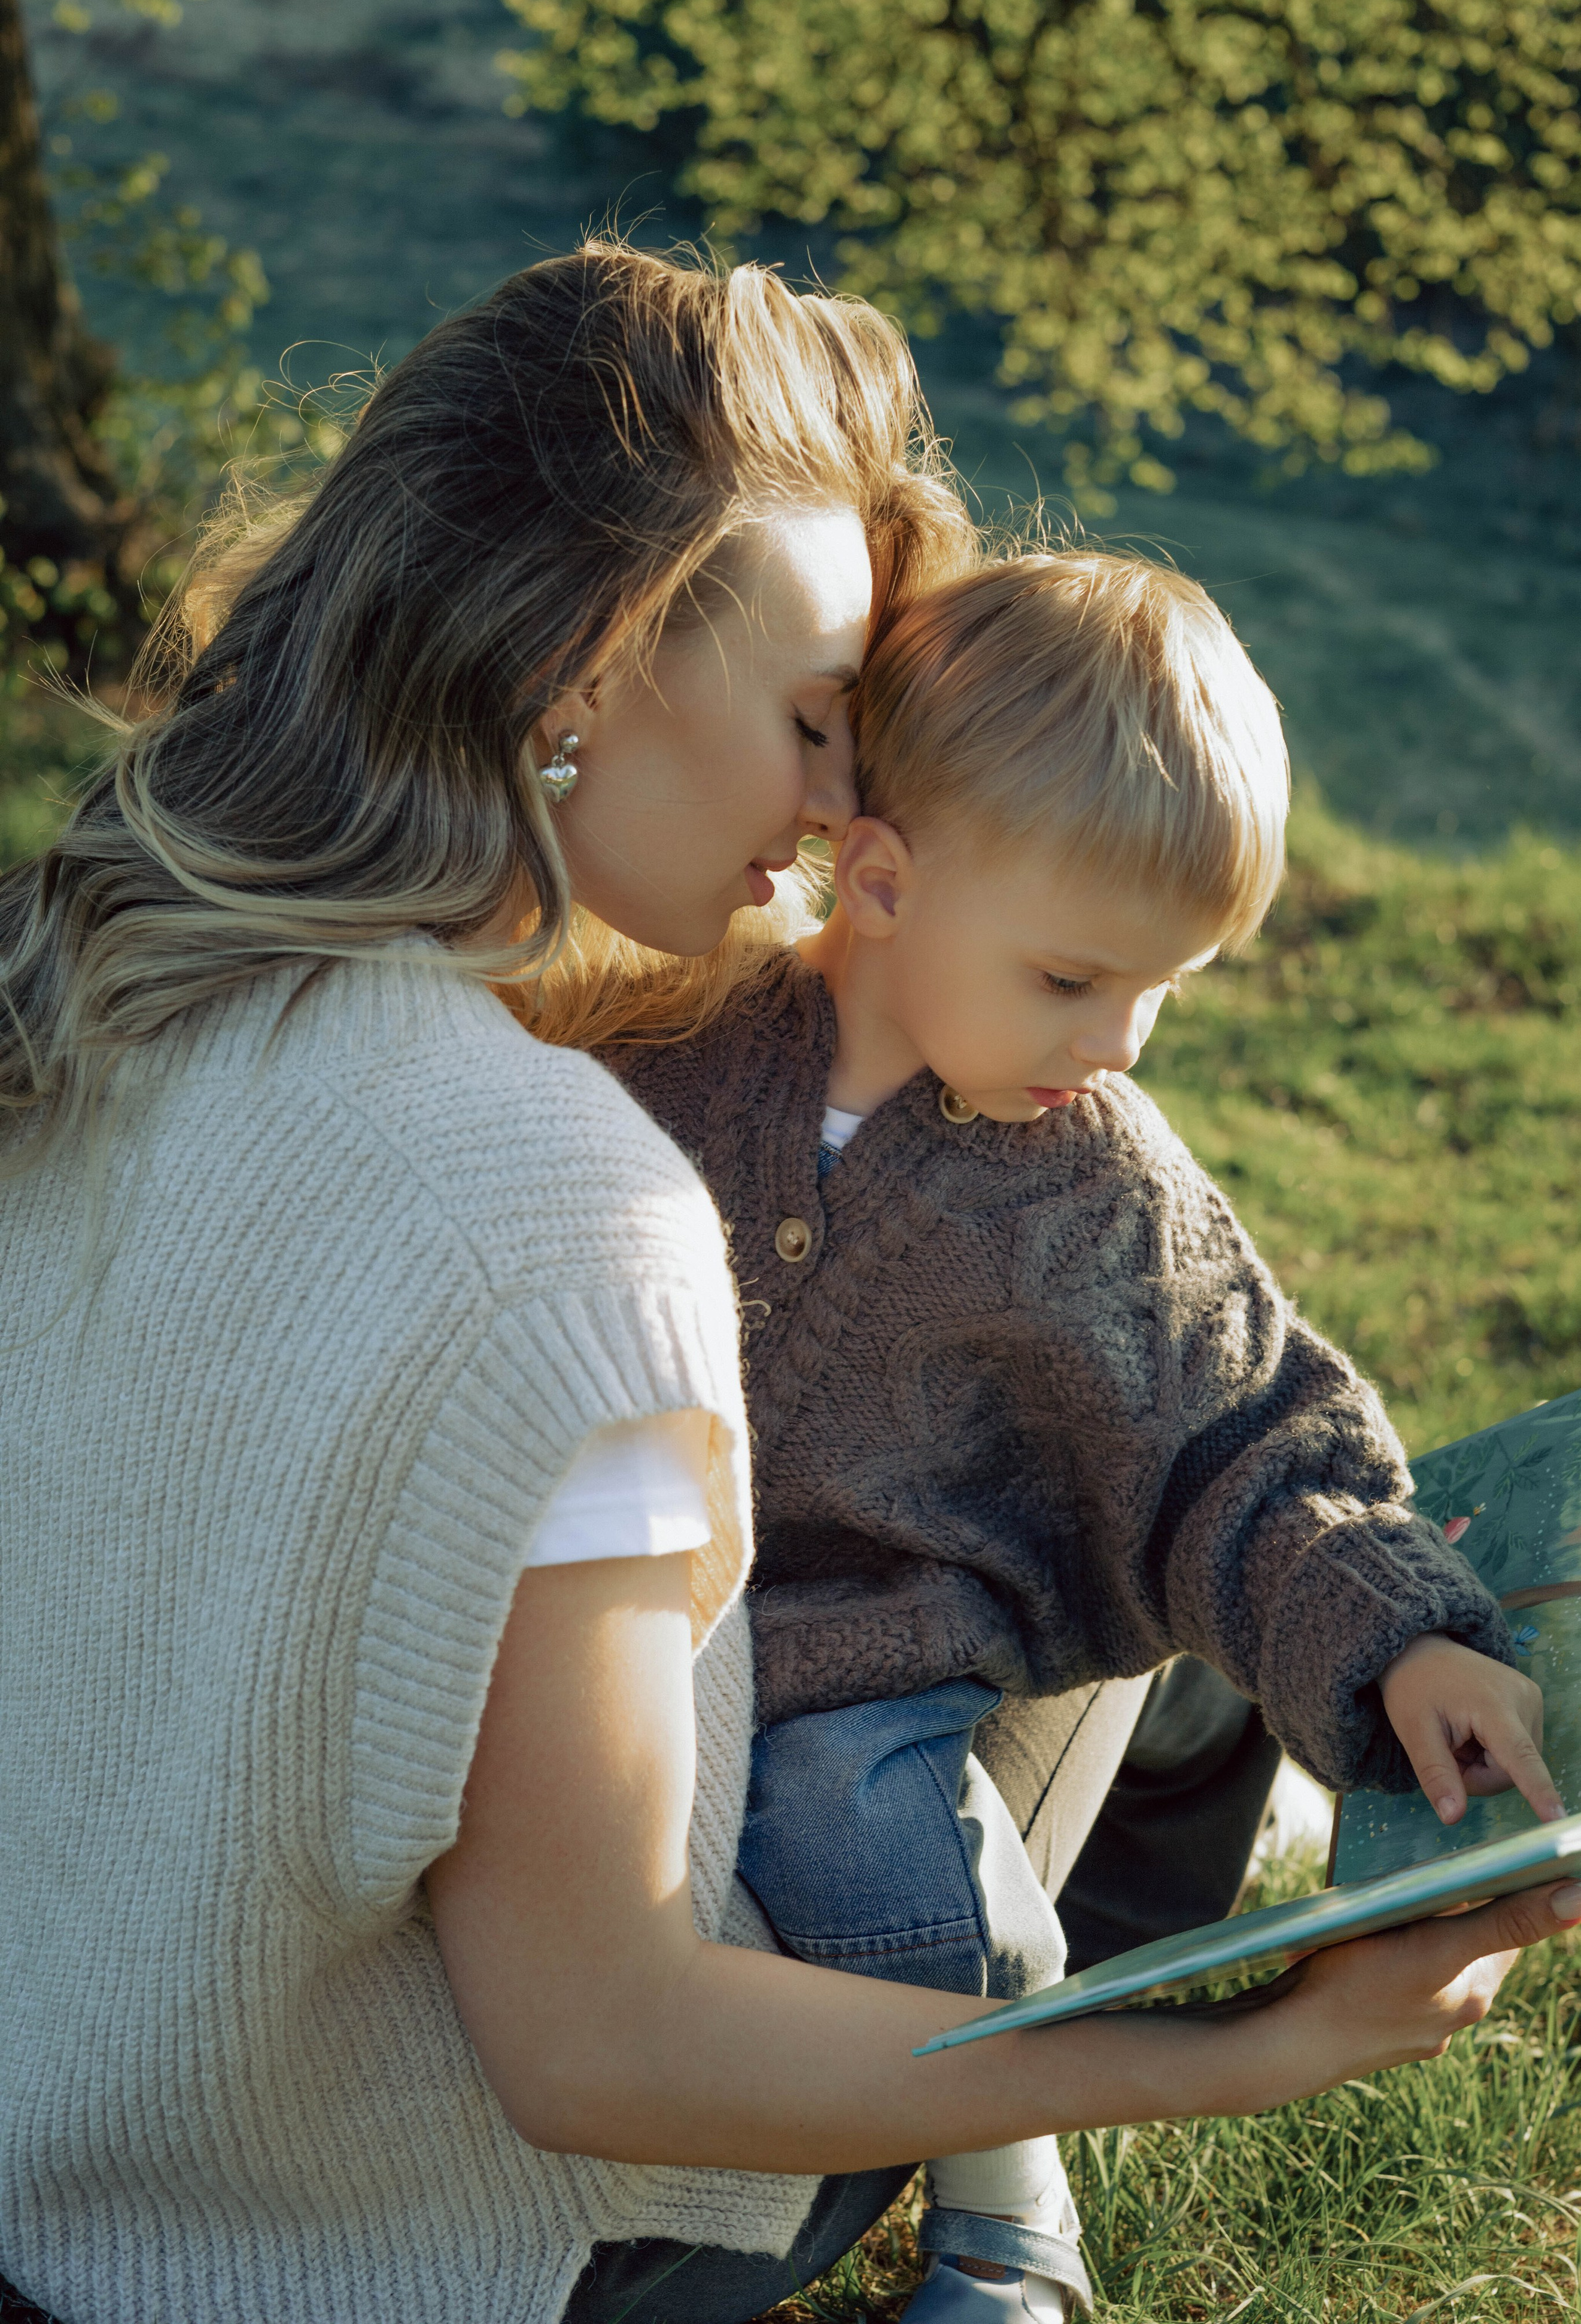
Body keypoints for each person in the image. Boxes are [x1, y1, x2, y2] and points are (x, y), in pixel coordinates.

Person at [0, 248, 1573, 2324]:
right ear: (591, 652)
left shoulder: (121, 981)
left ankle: (1335, 1659)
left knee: (1132, 1435)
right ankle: (1083, 2092)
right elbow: (595, 2049)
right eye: (824, 722)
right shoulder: (572, 1188)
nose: (848, 806)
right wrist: (1234, 2055)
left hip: (91, 2097)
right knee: (1106, 1485)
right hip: (442, 2213)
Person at [597, 552, 1566, 2320]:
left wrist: (1407, 1632)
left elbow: (1254, 1439)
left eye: (1163, 990)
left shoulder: (1099, 1188)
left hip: (858, 1666)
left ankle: (1006, 2202)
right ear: (879, 879)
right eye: (1070, 978)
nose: (1117, 1044)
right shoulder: (673, 1040)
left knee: (864, 1858)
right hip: (611, 1631)